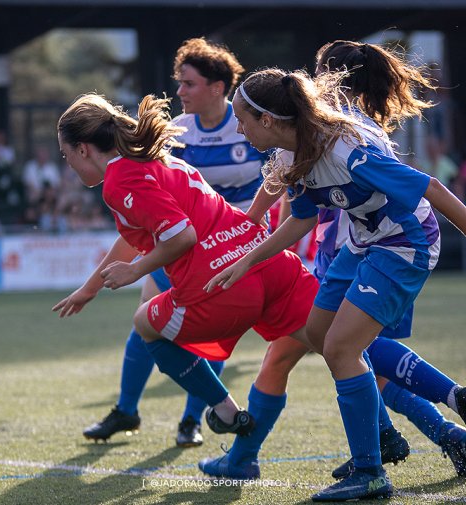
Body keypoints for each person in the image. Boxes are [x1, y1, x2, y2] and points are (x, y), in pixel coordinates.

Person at [205, 68, 466, 501]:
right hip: (363, 240)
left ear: (267, 120)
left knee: (341, 348)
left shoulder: (345, 152)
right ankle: (391, 436)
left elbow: (430, 187)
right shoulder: (290, 156)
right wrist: (248, 261)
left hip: (405, 243)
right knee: (319, 334)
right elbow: (301, 219)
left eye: (242, 119)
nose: (238, 127)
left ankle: (370, 471)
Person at [53, 92, 319, 448]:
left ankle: (221, 411)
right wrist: (90, 287)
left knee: (146, 323)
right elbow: (144, 235)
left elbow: (181, 236)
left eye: (66, 154)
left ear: (83, 149)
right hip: (262, 264)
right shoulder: (155, 160)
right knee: (342, 348)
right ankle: (387, 431)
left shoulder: (120, 181)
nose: (66, 162)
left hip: (219, 284)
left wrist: (134, 272)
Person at [81, 38, 269, 448]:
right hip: (183, 246)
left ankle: (191, 420)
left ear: (218, 88)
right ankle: (127, 409)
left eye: (189, 83)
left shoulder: (249, 128)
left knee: (200, 329)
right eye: (179, 83)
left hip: (233, 247)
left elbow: (279, 185)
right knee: (147, 320)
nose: (180, 92)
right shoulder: (177, 132)